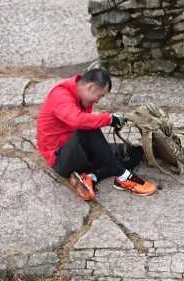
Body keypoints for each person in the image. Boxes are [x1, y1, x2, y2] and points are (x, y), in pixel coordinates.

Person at [36, 65, 158, 200]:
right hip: (61, 159)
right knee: (87, 128)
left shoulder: (84, 99)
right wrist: (109, 119)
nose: (98, 100)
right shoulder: (60, 95)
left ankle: (92, 177)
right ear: (90, 87)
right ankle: (124, 177)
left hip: (81, 153)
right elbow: (78, 121)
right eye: (100, 95)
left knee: (134, 152)